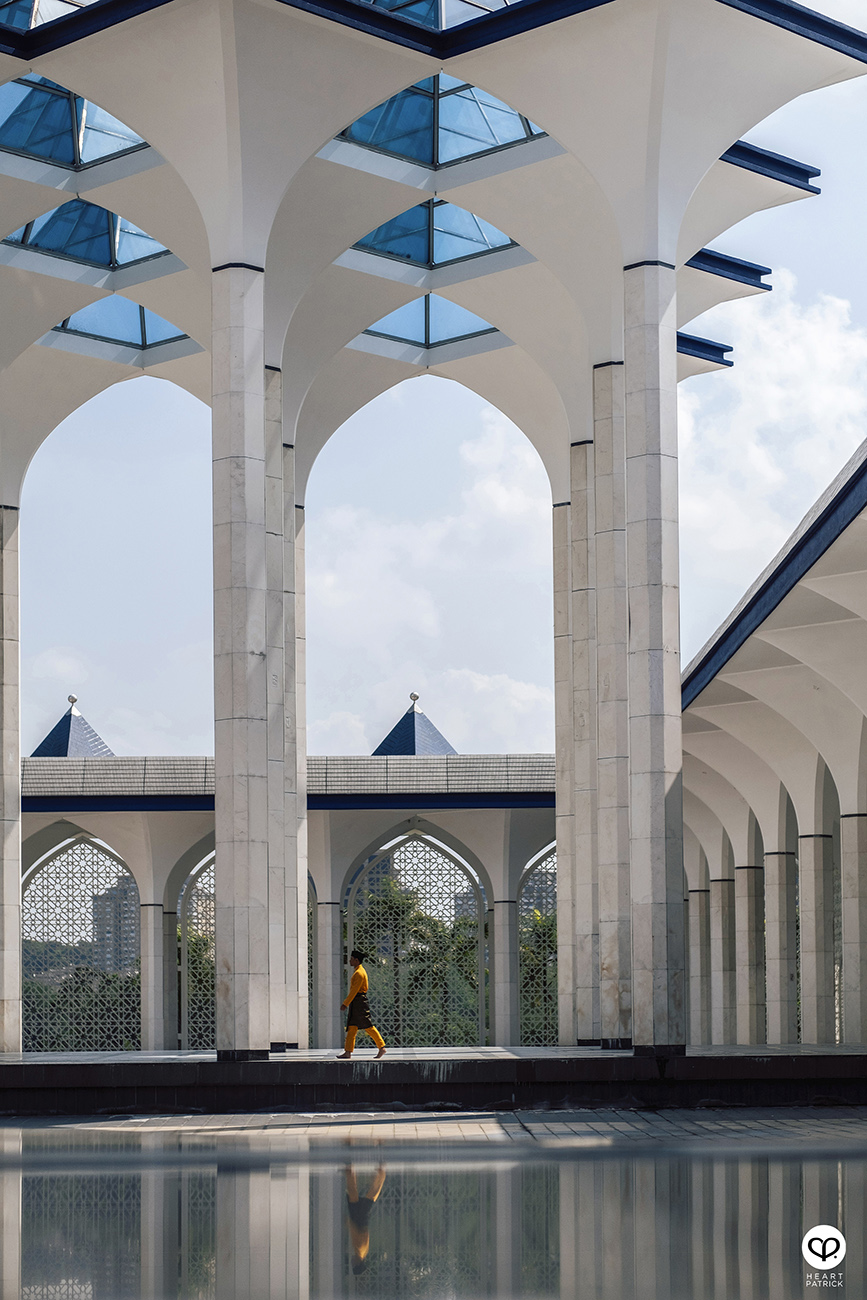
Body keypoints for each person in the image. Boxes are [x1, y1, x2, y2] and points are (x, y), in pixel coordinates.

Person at [337, 949, 386, 1059]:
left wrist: (345, 1003)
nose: (350, 961)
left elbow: (354, 991)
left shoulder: (359, 973)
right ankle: (348, 1051)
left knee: (368, 1026)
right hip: (357, 1002)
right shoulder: (358, 971)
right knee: (352, 1027)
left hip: (360, 1003)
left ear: (356, 960)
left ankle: (381, 1047)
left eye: (352, 959)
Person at [344, 1163, 386, 1275]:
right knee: (368, 1197)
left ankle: (350, 1171)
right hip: (359, 1217)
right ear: (358, 1263)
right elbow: (357, 1232)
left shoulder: (362, 1252)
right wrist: (349, 1223)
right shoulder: (360, 1250)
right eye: (353, 1264)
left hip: (360, 1218)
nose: (352, 1262)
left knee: (356, 1194)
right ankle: (381, 1174)